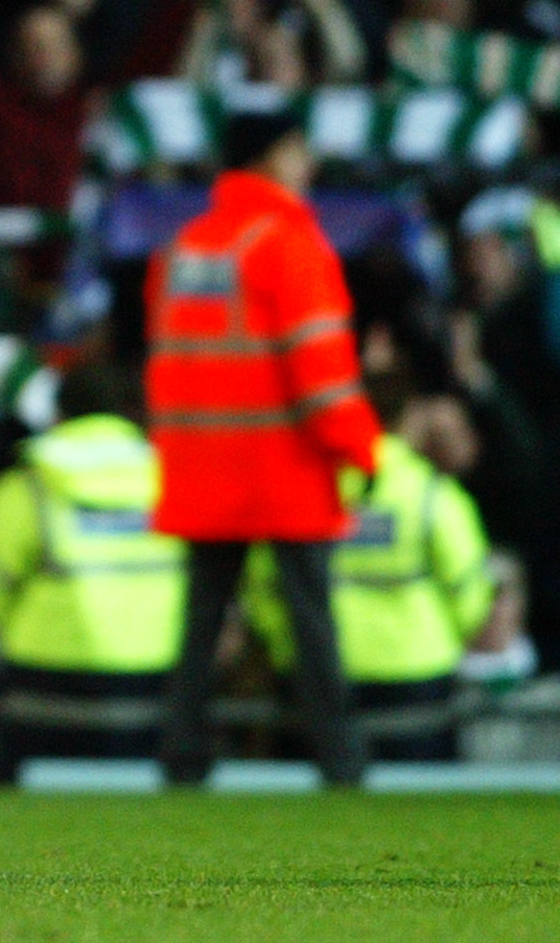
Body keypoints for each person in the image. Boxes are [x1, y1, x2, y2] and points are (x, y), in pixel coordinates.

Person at [148, 115, 379, 787]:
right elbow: (321, 375)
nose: (307, 164)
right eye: (298, 150)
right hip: (282, 466)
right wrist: (363, 450)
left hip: (201, 464)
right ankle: (340, 757)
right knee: (310, 619)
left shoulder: (186, 248)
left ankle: (183, 754)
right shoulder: (289, 244)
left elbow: (170, 362)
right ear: (270, 157)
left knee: (201, 620)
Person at [246, 376, 496, 761]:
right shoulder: (433, 493)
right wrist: (449, 636)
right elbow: (470, 589)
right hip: (417, 673)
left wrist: (287, 646)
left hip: (320, 670)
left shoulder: (306, 488)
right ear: (408, 418)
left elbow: (263, 583)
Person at [0, 361, 184, 764]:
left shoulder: (28, 483)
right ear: (130, 412)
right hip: (156, 688)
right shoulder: (172, 480)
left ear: (57, 414)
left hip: (43, 688)